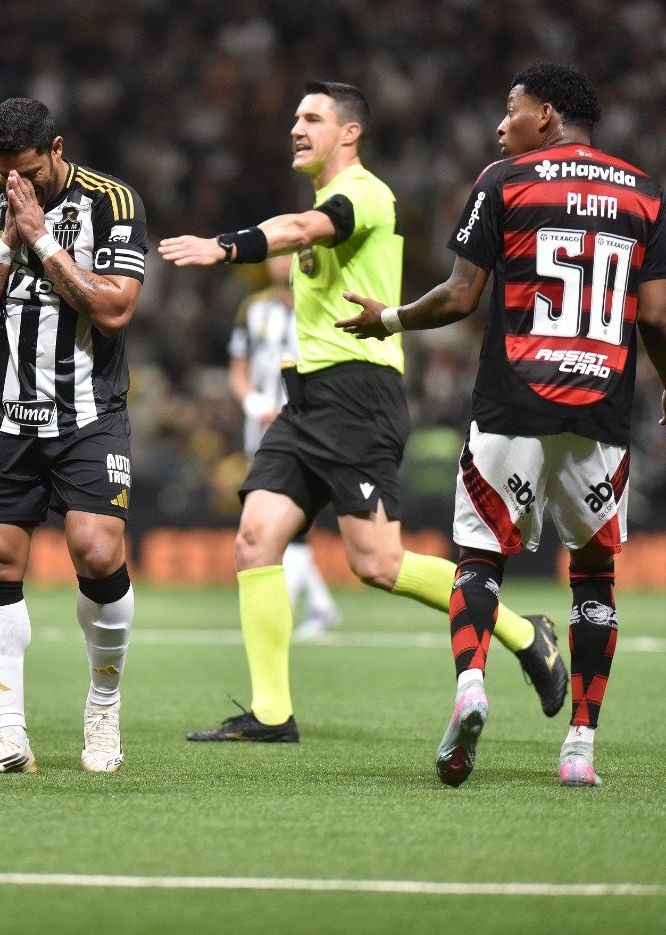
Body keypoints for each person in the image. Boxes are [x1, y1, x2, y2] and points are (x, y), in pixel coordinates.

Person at [337, 62, 666, 787]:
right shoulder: (644, 193)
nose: (499, 125)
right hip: (601, 417)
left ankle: (471, 687)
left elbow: (457, 296)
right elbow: (658, 319)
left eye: (509, 111)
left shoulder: (504, 181)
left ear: (546, 114)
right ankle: (579, 746)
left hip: (514, 402)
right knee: (595, 578)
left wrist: (387, 319)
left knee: (480, 558)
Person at [159, 81, 569, 744]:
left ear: (349, 133)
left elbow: (297, 231)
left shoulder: (367, 194)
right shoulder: (325, 198)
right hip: (307, 397)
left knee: (378, 563)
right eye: (294, 117)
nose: (296, 127)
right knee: (256, 537)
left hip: (359, 396)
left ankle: (528, 637)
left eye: (313, 118)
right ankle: (271, 714)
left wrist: (224, 246)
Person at [0, 97, 146, 776]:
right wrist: (5, 243)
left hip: (88, 411)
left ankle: (104, 708)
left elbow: (115, 309)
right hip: (1, 412)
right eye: (2, 175)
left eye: (26, 171)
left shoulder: (113, 202)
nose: (13, 187)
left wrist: (44, 239)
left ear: (56, 148)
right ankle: (9, 736)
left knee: (95, 547)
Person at [228, 256, 341, 638]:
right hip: (261, 427)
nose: (280, 262)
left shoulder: (324, 303)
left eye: (288, 252)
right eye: (275, 253)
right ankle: (320, 607)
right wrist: (253, 403)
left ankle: (286, 613)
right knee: (274, 520)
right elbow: (238, 370)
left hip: (309, 425)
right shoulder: (253, 306)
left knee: (288, 518)